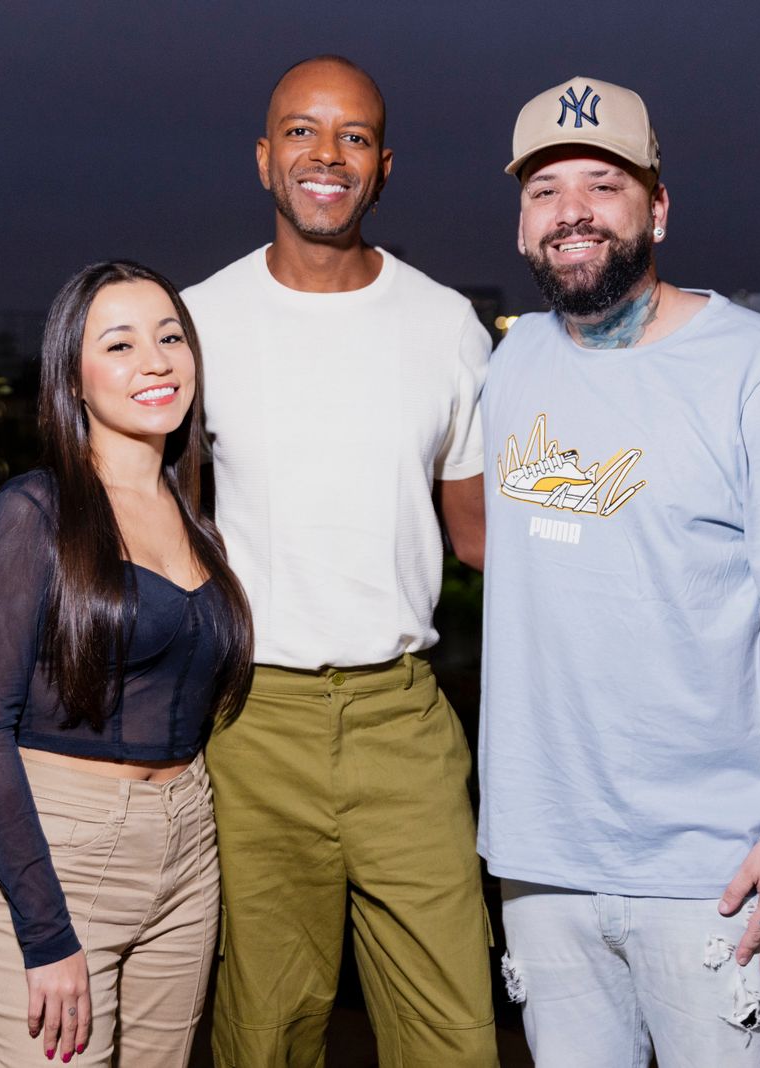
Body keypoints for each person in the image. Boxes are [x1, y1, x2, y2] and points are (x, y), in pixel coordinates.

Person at [478, 76, 760, 1066]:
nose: (572, 212)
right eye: (545, 190)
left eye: (602, 184)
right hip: (541, 865)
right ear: (522, 226)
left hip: (714, 875)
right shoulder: (508, 367)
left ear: (657, 206)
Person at [181, 55, 498, 1067]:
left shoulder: (445, 324)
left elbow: (481, 537)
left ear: (384, 165)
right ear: (264, 157)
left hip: (403, 721)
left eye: (353, 136)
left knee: (452, 1031)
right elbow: (160, 535)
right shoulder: (195, 323)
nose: (328, 154)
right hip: (250, 725)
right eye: (304, 132)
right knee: (264, 1031)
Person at [0, 260, 254, 1067]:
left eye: (169, 337)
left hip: (189, 849)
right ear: (73, 380)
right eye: (119, 344)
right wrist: (45, 933)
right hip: (63, 852)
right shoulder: (33, 513)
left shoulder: (193, 517)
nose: (155, 361)